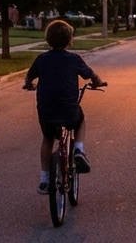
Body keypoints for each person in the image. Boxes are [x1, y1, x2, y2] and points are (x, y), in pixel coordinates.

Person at [23, 19, 106, 194]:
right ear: (70, 40)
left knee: (47, 139)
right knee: (80, 120)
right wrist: (97, 82)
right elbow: (92, 75)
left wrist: (29, 84)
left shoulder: (42, 59)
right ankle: (78, 150)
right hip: (68, 109)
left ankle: (45, 180)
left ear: (48, 39)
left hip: (46, 110)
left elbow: (29, 78)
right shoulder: (74, 59)